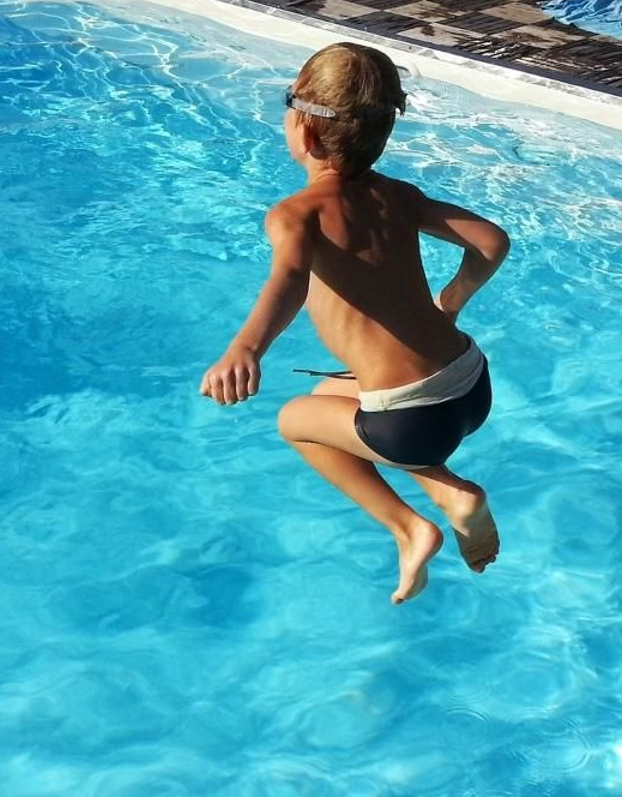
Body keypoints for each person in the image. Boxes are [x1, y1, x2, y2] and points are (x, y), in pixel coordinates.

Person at [200, 42, 511, 605]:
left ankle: (412, 524)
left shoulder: (298, 212)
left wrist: (246, 348)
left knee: (296, 420)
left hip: (414, 422)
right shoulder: (398, 195)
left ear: (306, 131)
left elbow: (291, 279)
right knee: (330, 392)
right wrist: (452, 299)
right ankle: (445, 493)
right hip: (471, 382)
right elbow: (491, 241)